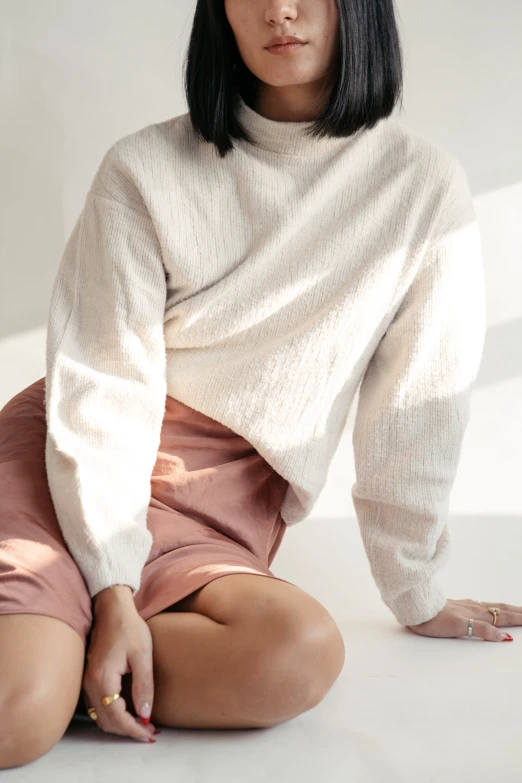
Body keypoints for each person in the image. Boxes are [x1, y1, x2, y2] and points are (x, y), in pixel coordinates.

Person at [0, 0, 516, 770]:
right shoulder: (144, 168)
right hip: (75, 459)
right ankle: (70, 639)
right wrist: (111, 584)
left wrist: (417, 592)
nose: (281, 8)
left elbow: (416, 410)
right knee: (19, 720)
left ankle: (68, 642)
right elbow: (104, 380)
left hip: (219, 518)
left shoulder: (421, 187)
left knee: (298, 652)